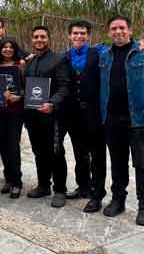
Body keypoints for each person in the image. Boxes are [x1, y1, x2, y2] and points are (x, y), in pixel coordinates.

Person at [99, 15, 144, 225]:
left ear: (130, 30)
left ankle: (143, 205)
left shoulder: (141, 51)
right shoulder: (104, 55)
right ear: (109, 32)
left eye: (122, 28)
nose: (118, 31)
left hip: (138, 118)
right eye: (114, 28)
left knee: (142, 164)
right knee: (117, 163)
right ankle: (118, 199)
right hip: (112, 118)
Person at [61, 20, 107, 213]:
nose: (78, 36)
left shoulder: (99, 53)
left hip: (94, 114)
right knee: (80, 153)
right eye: (75, 33)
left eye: (82, 33)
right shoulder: (63, 57)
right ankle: (84, 187)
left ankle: (97, 193)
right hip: (73, 115)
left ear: (88, 35)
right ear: (69, 36)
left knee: (97, 155)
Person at [24, 25, 71, 208]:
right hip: (32, 116)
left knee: (56, 152)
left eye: (43, 36)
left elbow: (65, 87)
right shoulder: (29, 61)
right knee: (38, 152)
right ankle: (44, 185)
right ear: (32, 39)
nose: (39, 40)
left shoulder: (58, 60)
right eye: (36, 37)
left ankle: (60, 190)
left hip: (52, 116)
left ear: (48, 39)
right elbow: (26, 87)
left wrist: (52, 103)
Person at [0, 38, 26, 199]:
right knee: (2, 145)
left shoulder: (21, 65)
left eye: (11, 47)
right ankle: (8, 178)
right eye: (4, 47)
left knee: (13, 145)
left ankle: (17, 181)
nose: (7, 49)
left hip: (15, 111)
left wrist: (19, 96)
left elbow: (27, 87)